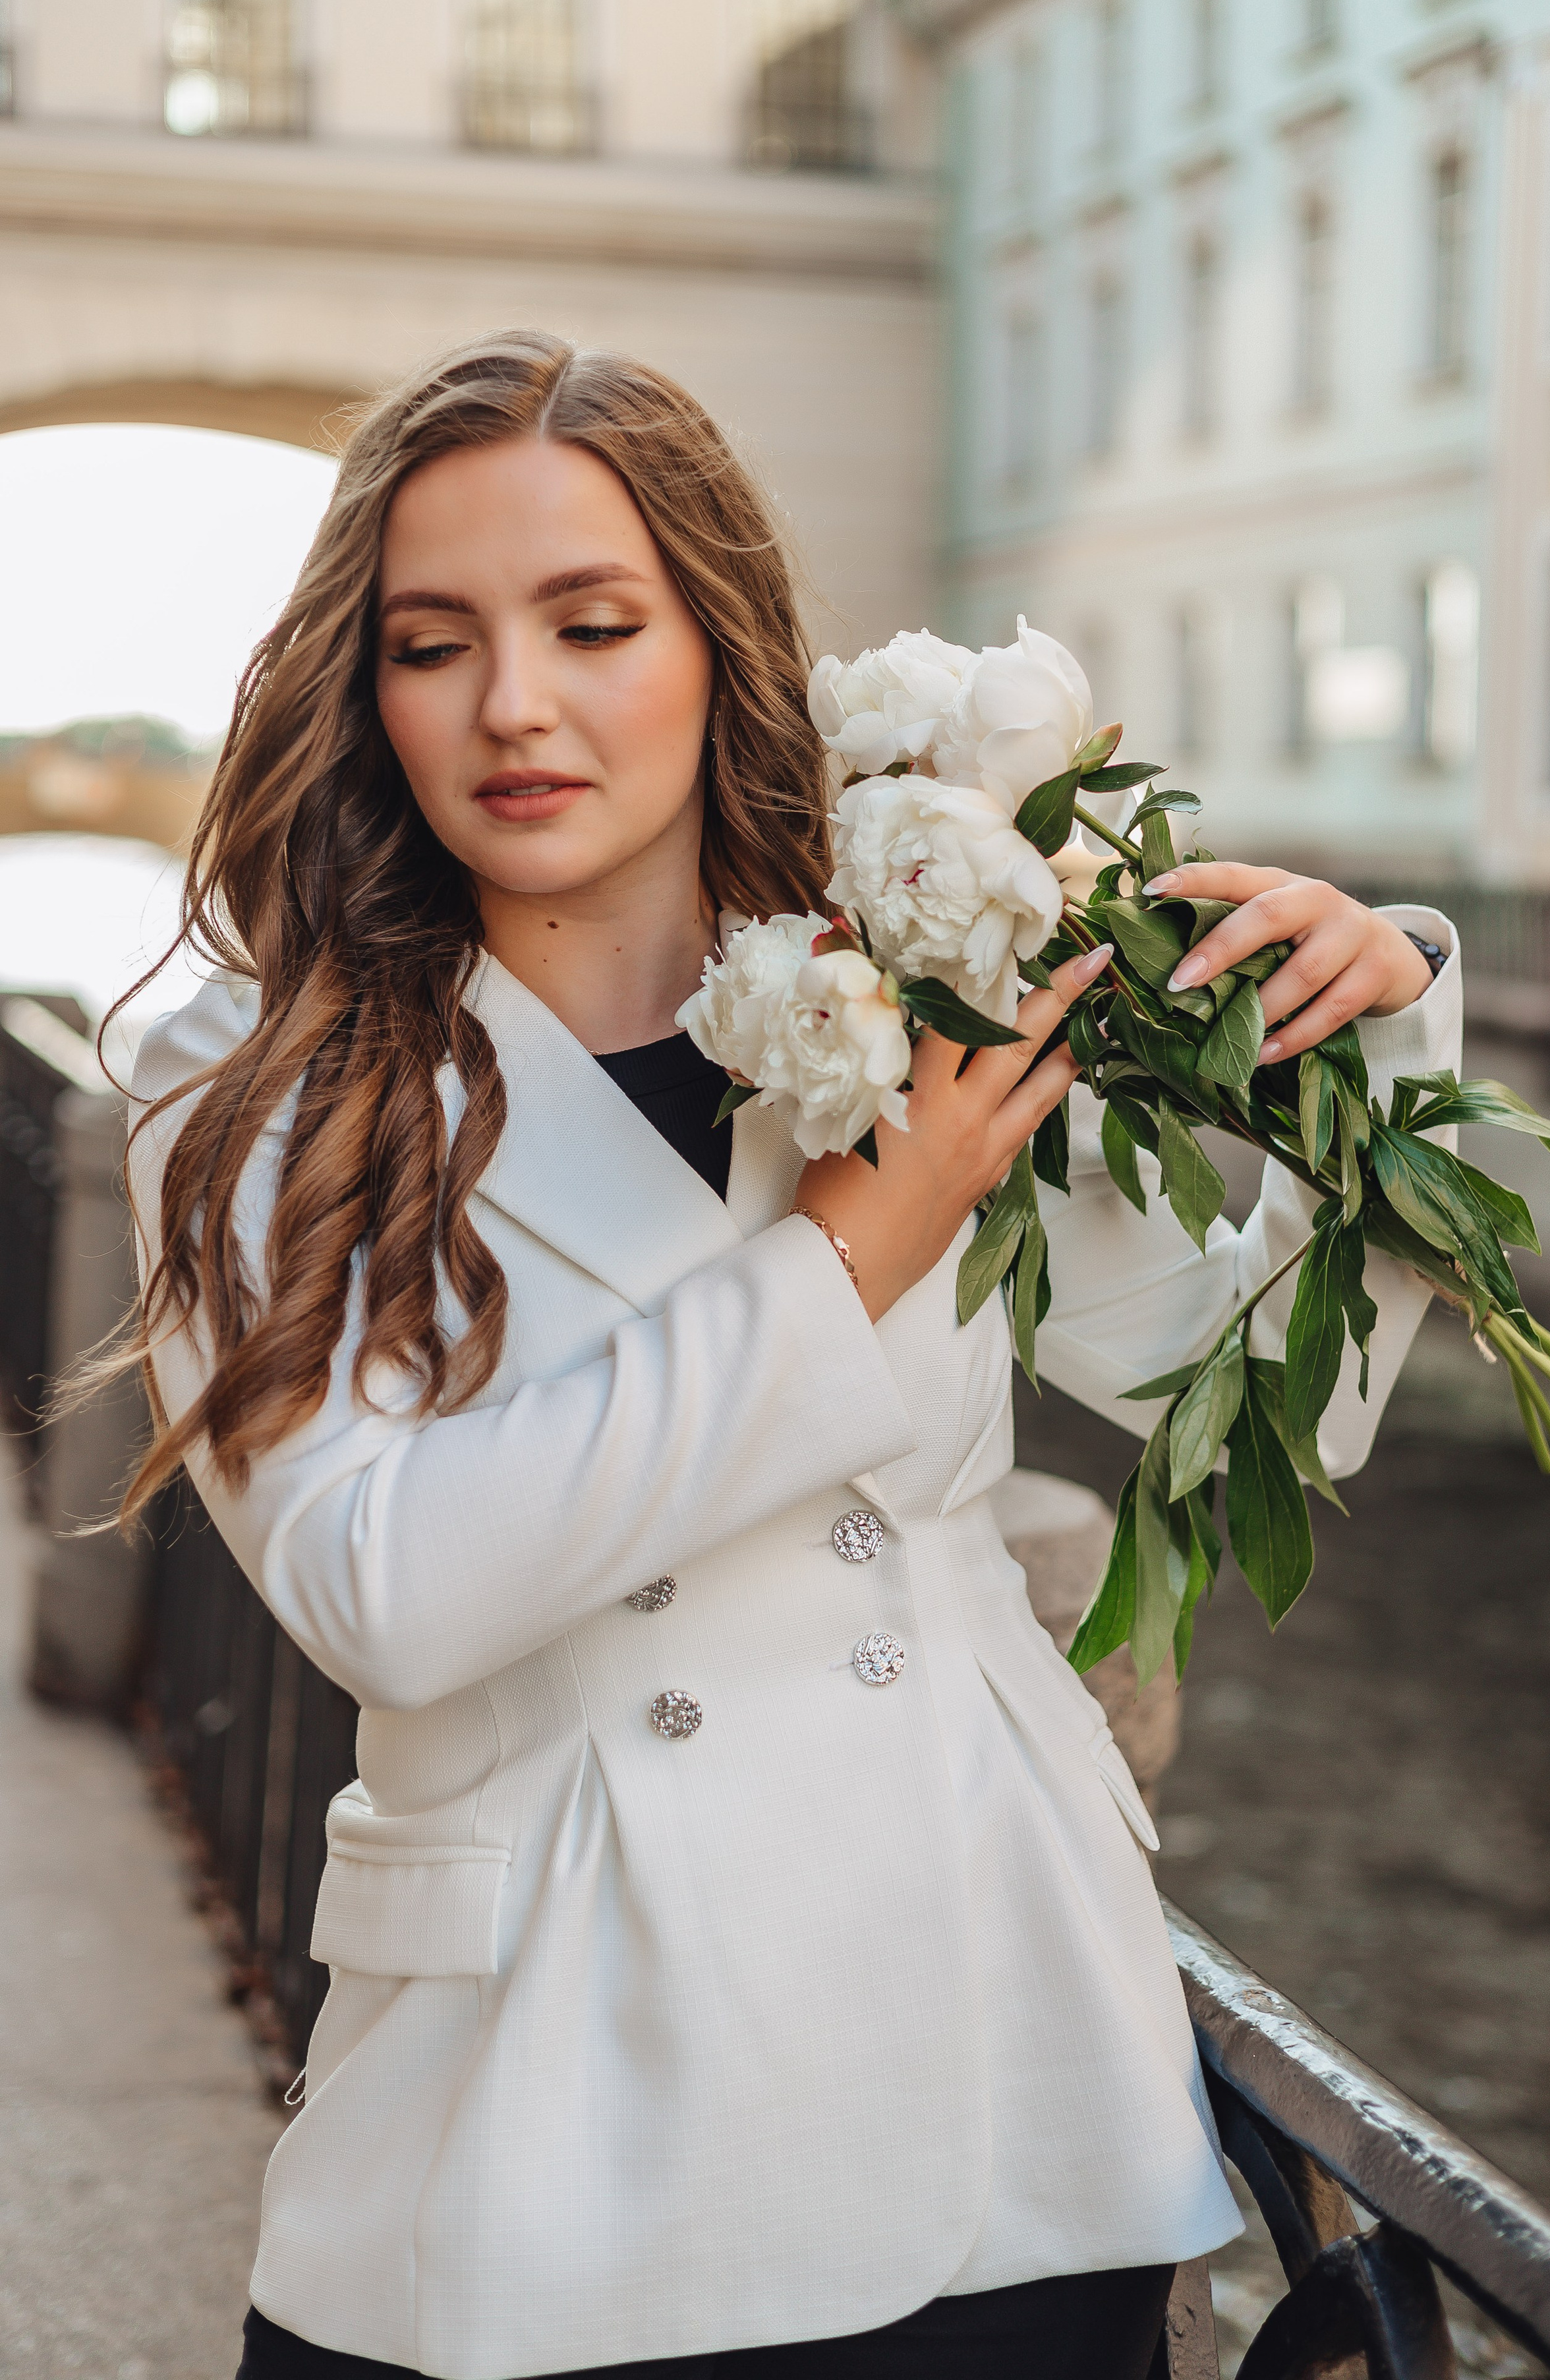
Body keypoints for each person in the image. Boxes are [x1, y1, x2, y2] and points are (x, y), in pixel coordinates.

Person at [122, 333, 1461, 2380]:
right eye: (431, 640)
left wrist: (1376, 1046)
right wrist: (846, 1263)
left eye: (592, 621)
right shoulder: (257, 1105)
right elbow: (388, 1590)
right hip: (540, 2137)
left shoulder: (936, 984)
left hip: (997, 2082)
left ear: (711, 640)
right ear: (361, 687)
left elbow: (1273, 1393)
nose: (514, 704)